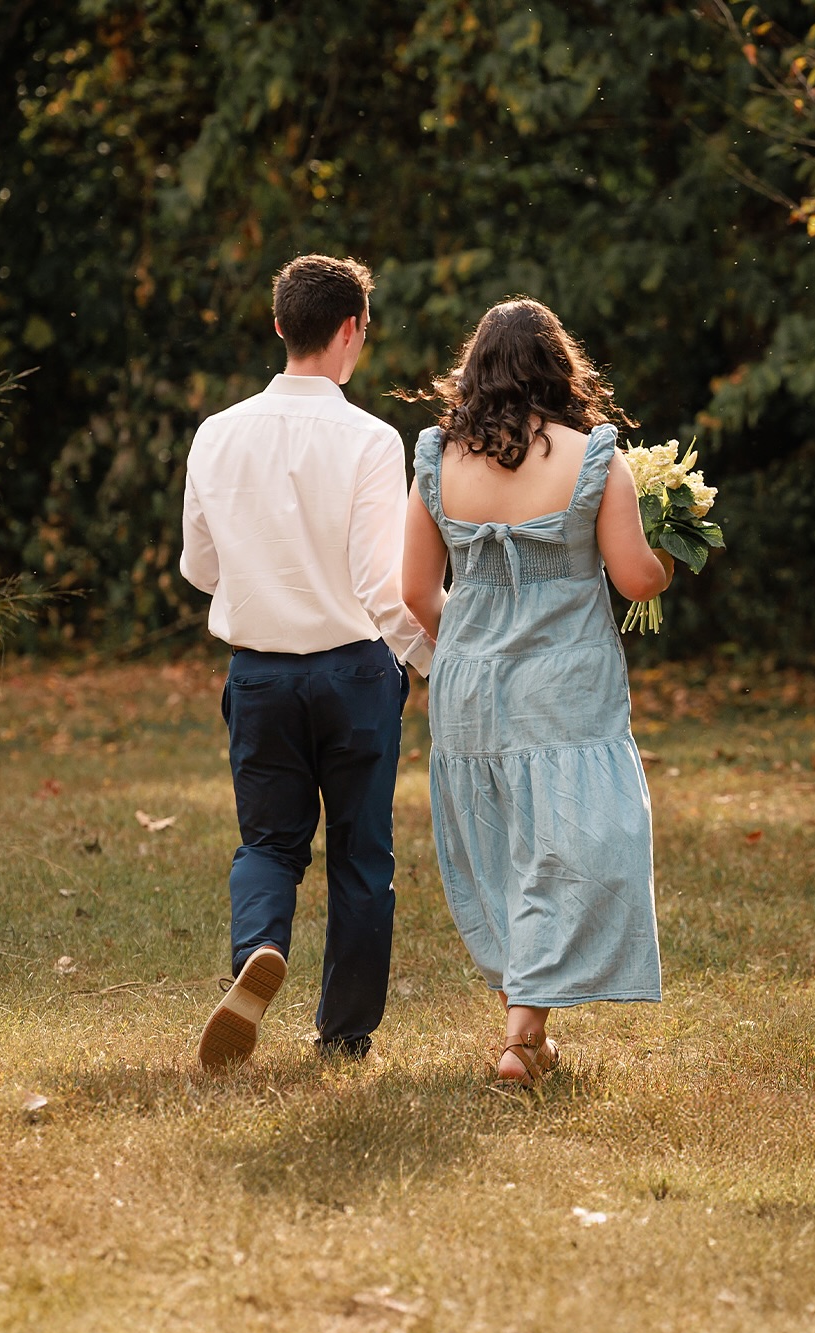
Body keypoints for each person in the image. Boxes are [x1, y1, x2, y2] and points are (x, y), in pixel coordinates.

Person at [401, 298, 673, 1086]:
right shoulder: (593, 458)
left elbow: (416, 591)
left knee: (501, 847)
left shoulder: (437, 458)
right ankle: (523, 1036)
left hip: (470, 688)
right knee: (579, 842)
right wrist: (663, 558)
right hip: (566, 686)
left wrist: (477, 644)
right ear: (561, 367)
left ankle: (525, 1030)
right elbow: (633, 576)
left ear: (476, 370)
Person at [180, 253, 434, 1069]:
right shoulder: (369, 438)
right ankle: (345, 1033)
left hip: (259, 674)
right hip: (355, 672)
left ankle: (258, 947)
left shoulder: (217, 433)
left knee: (267, 844)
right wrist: (429, 659)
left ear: (281, 324)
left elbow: (199, 567)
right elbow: (378, 579)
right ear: (352, 328)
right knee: (361, 851)